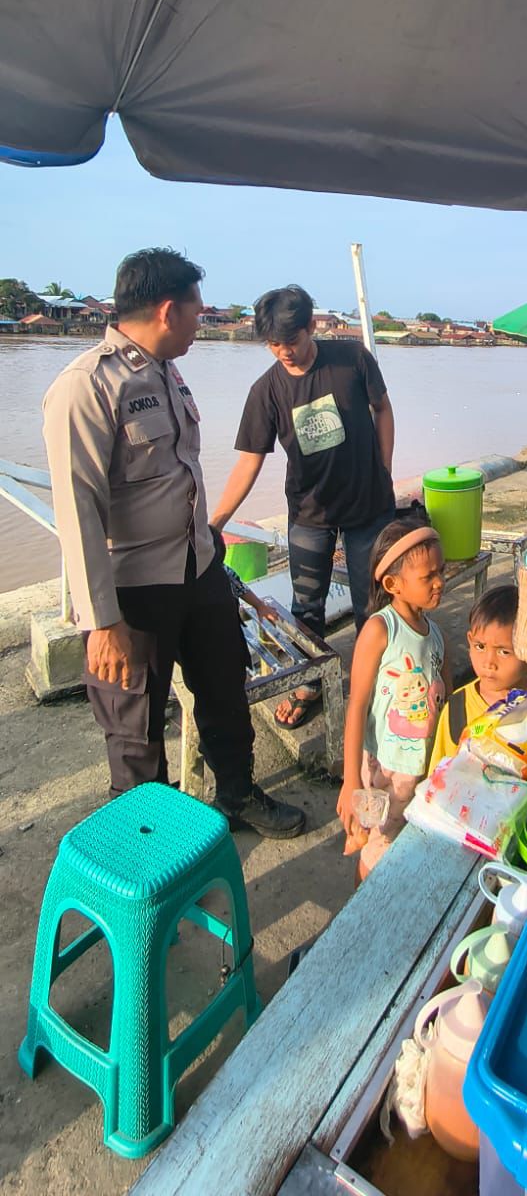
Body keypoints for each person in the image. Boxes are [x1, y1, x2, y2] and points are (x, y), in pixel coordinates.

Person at [42, 247, 305, 838]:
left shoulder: (166, 369)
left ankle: (237, 795)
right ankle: (151, 851)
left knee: (224, 691)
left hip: (198, 569)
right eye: (196, 313)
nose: (199, 324)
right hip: (134, 593)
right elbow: (78, 511)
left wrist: (210, 556)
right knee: (135, 730)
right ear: (167, 311)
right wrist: (100, 621)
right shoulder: (85, 386)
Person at [211, 285, 396, 727]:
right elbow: (250, 460)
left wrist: (385, 471)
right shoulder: (266, 390)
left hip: (369, 505)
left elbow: (383, 409)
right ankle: (311, 682)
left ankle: (374, 685)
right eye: (273, 345)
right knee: (306, 604)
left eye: (290, 341)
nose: (283, 352)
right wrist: (217, 519)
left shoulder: (352, 359)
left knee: (370, 601)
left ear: (311, 327)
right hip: (310, 513)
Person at [336, 520, 450, 877]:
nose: (440, 582)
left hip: (418, 771)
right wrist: (349, 779)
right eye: (428, 576)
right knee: (376, 847)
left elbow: (444, 701)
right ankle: (362, 911)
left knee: (398, 845)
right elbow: (356, 705)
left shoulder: (437, 636)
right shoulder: (380, 629)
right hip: (382, 769)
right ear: (392, 585)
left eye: (441, 571)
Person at [429, 584, 527, 772]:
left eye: (504, 652)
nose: (488, 663)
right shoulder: (457, 709)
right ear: (470, 641)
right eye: (480, 646)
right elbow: (438, 776)